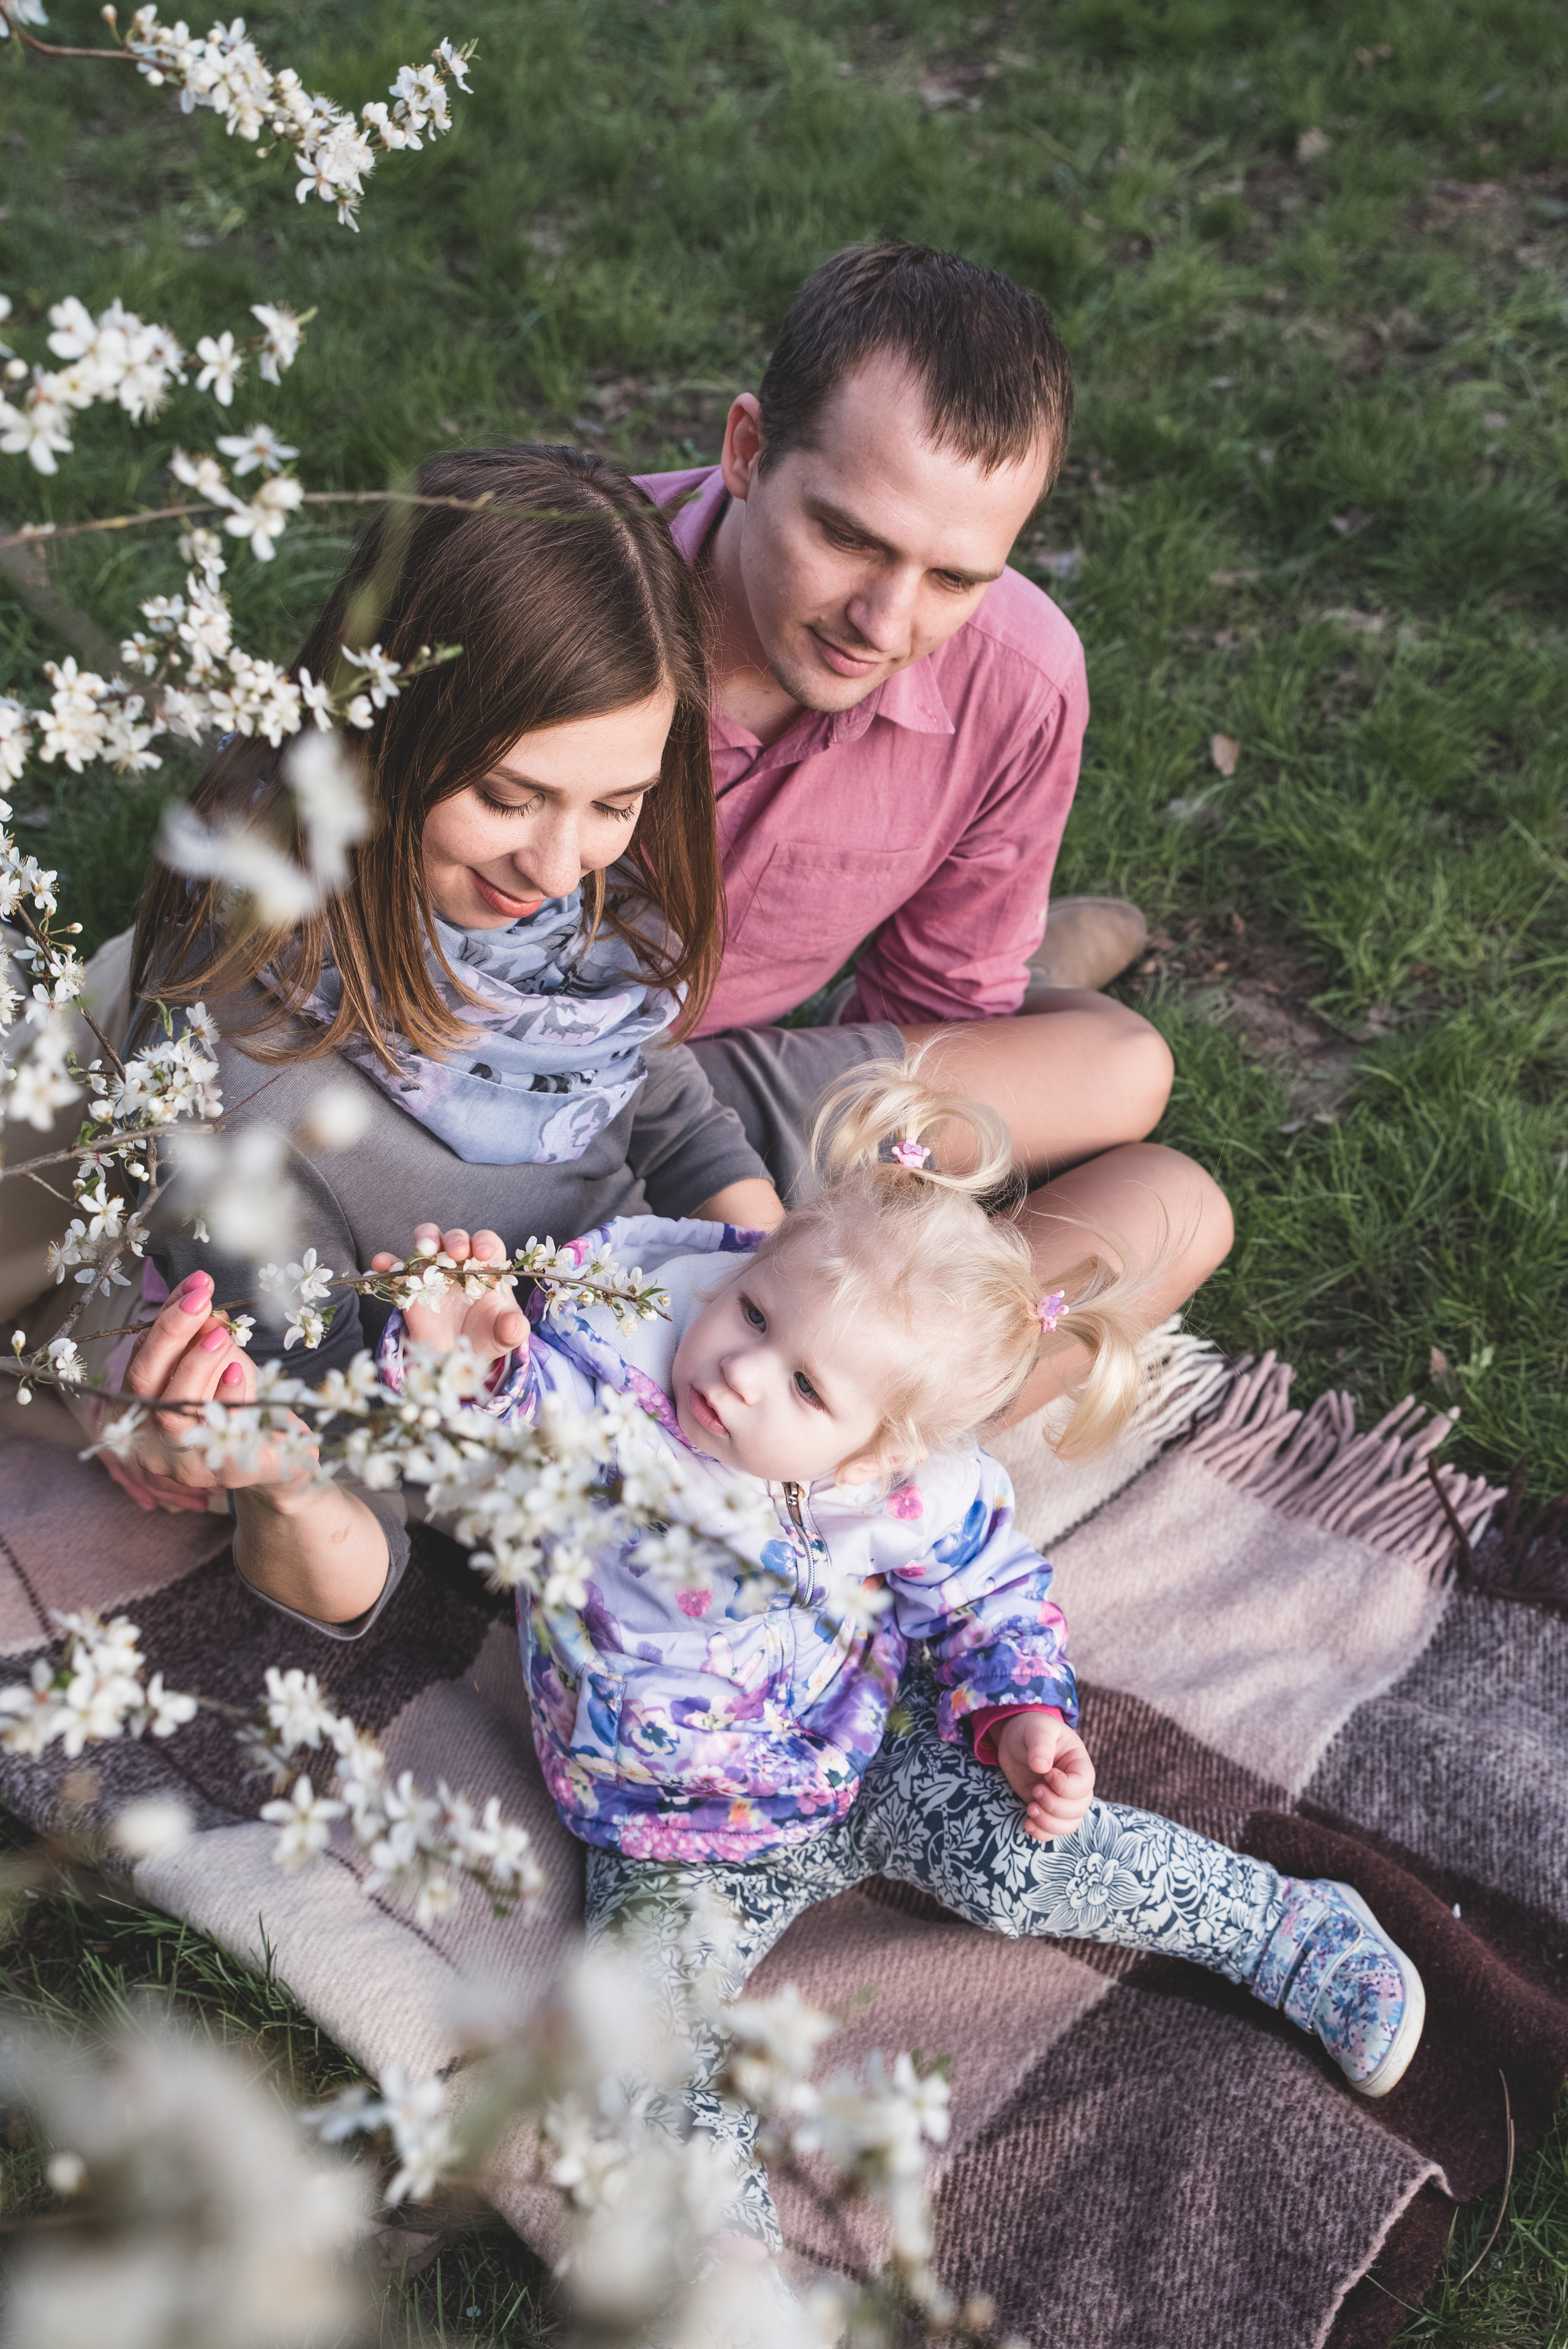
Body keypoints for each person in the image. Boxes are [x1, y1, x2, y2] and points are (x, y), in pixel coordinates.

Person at [223, 1053, 1425, 2252]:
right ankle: (731, 2272)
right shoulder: (614, 1362)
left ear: (872, 1455)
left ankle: (1282, 1929)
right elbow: (508, 1423)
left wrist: (1021, 1717)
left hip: (870, 1757)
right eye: (754, 1309)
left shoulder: (904, 1495)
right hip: (665, 1833)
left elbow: (989, 1598)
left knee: (1026, 1856)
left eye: (805, 1386)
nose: (741, 1369)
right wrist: (462, 1358)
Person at [98, 444, 784, 1616]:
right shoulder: (247, 1084)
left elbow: (666, 1106)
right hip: (532, 1429)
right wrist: (286, 1491)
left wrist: (786, 1282)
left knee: (1095, 1113)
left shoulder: (552, 894)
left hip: (679, 1301)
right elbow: (350, 1509)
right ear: (383, 731)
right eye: (508, 797)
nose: (560, 866)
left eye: (615, 804)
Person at [636, 242, 1235, 1420]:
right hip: (562, 1085)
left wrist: (885, 1276)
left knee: (1152, 1134)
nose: (885, 620)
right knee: (1121, 1079)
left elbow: (934, 1010)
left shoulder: (1017, 676)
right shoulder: (558, 601)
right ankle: (898, 1440)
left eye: (956, 577)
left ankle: (1041, 973)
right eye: (850, 537)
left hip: (751, 1085)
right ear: (747, 450)